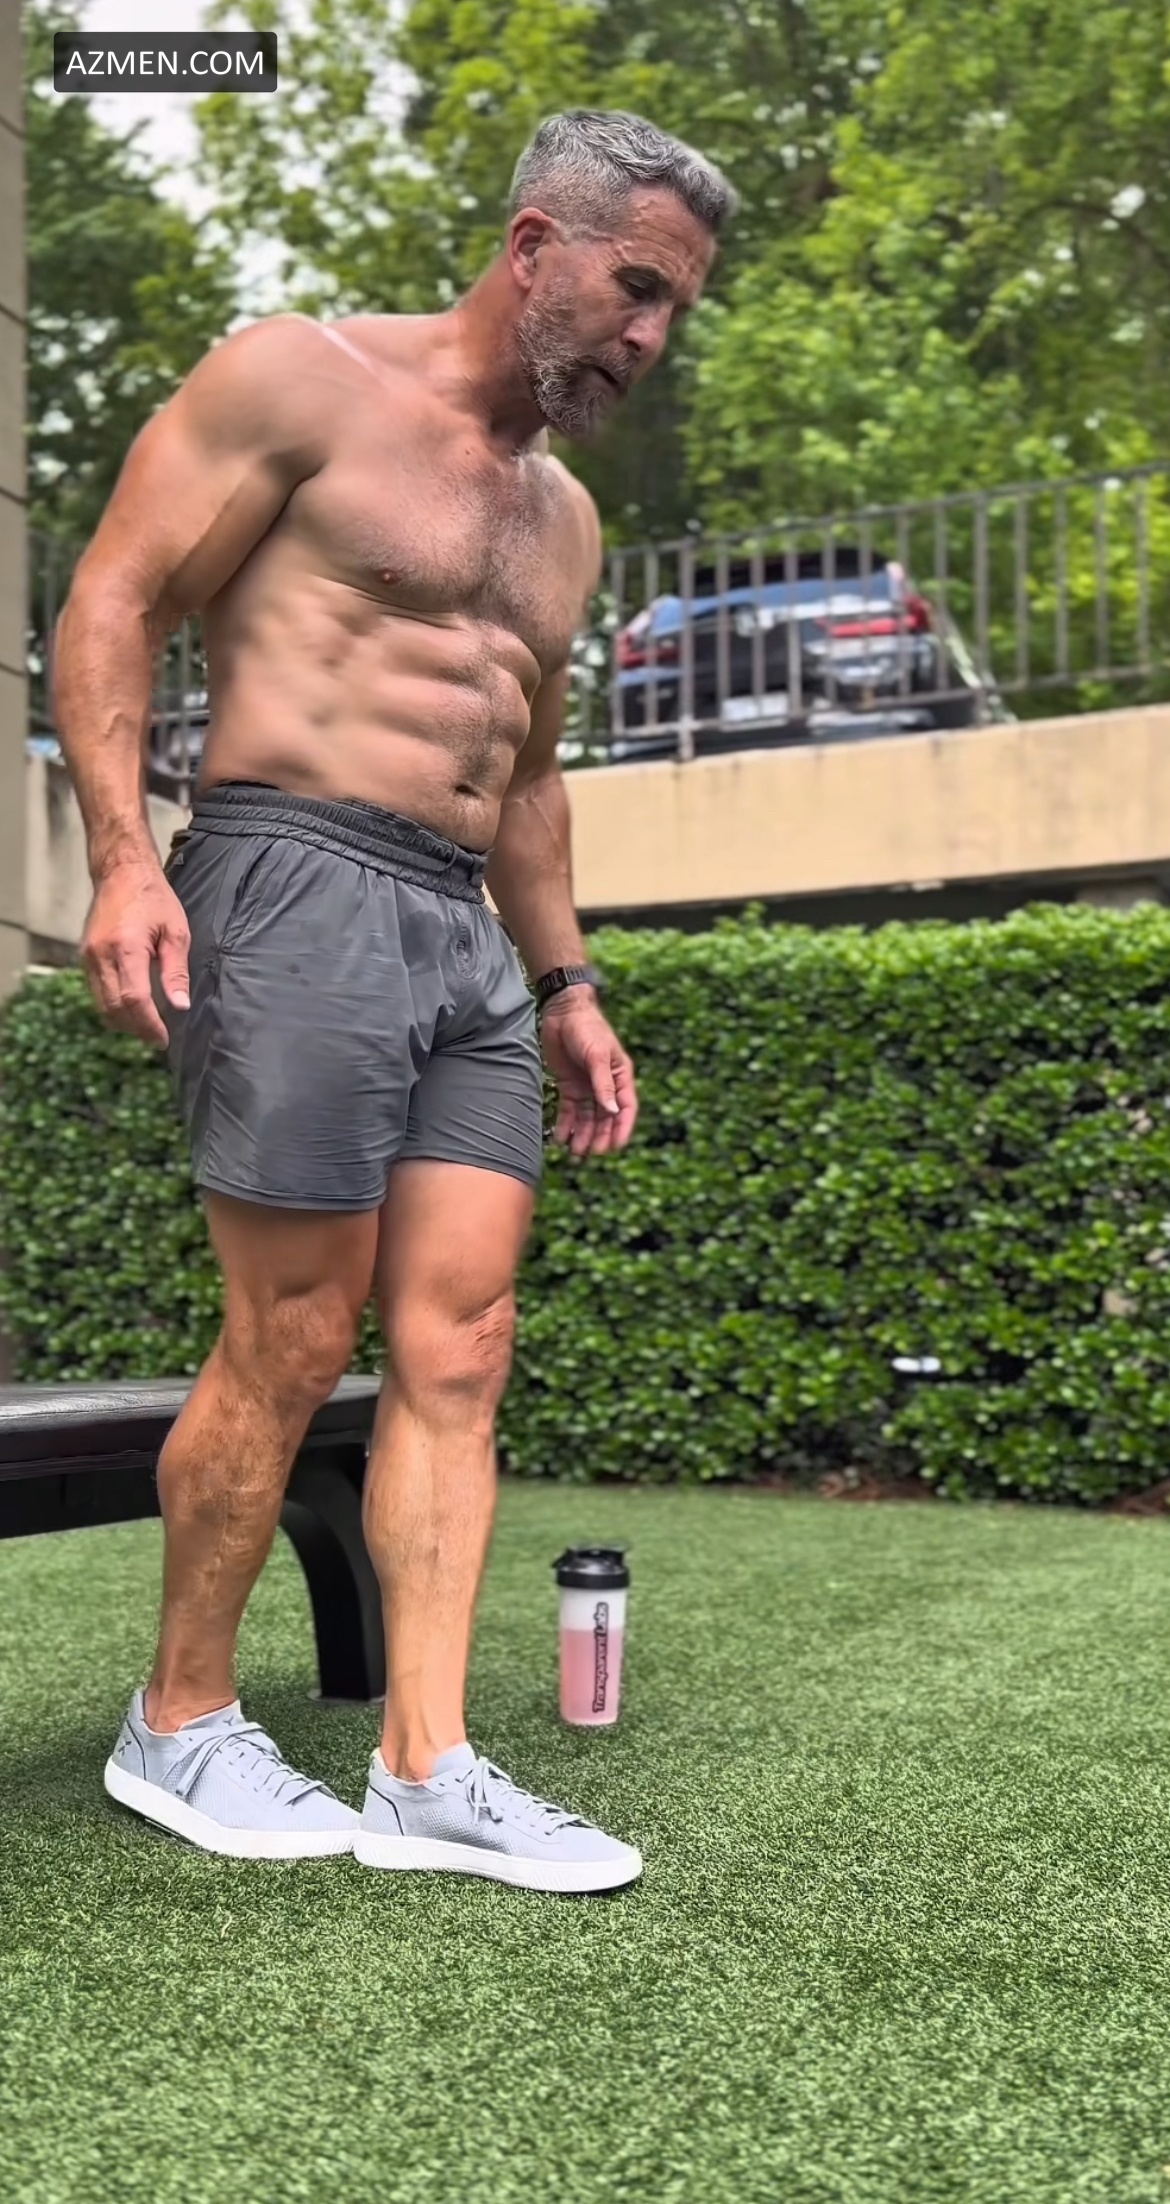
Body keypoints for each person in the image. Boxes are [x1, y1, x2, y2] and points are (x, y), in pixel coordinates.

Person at [55, 109, 735, 1893]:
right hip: (293, 869)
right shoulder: (300, 379)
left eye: (674, 307)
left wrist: (566, 979)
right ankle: (179, 1721)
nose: (650, 333)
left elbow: (525, 771)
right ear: (532, 246)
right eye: (634, 286)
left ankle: (427, 1765)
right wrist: (122, 857)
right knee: (295, 1332)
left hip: (461, 930)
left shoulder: (561, 517)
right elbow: (116, 596)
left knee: (461, 1342)